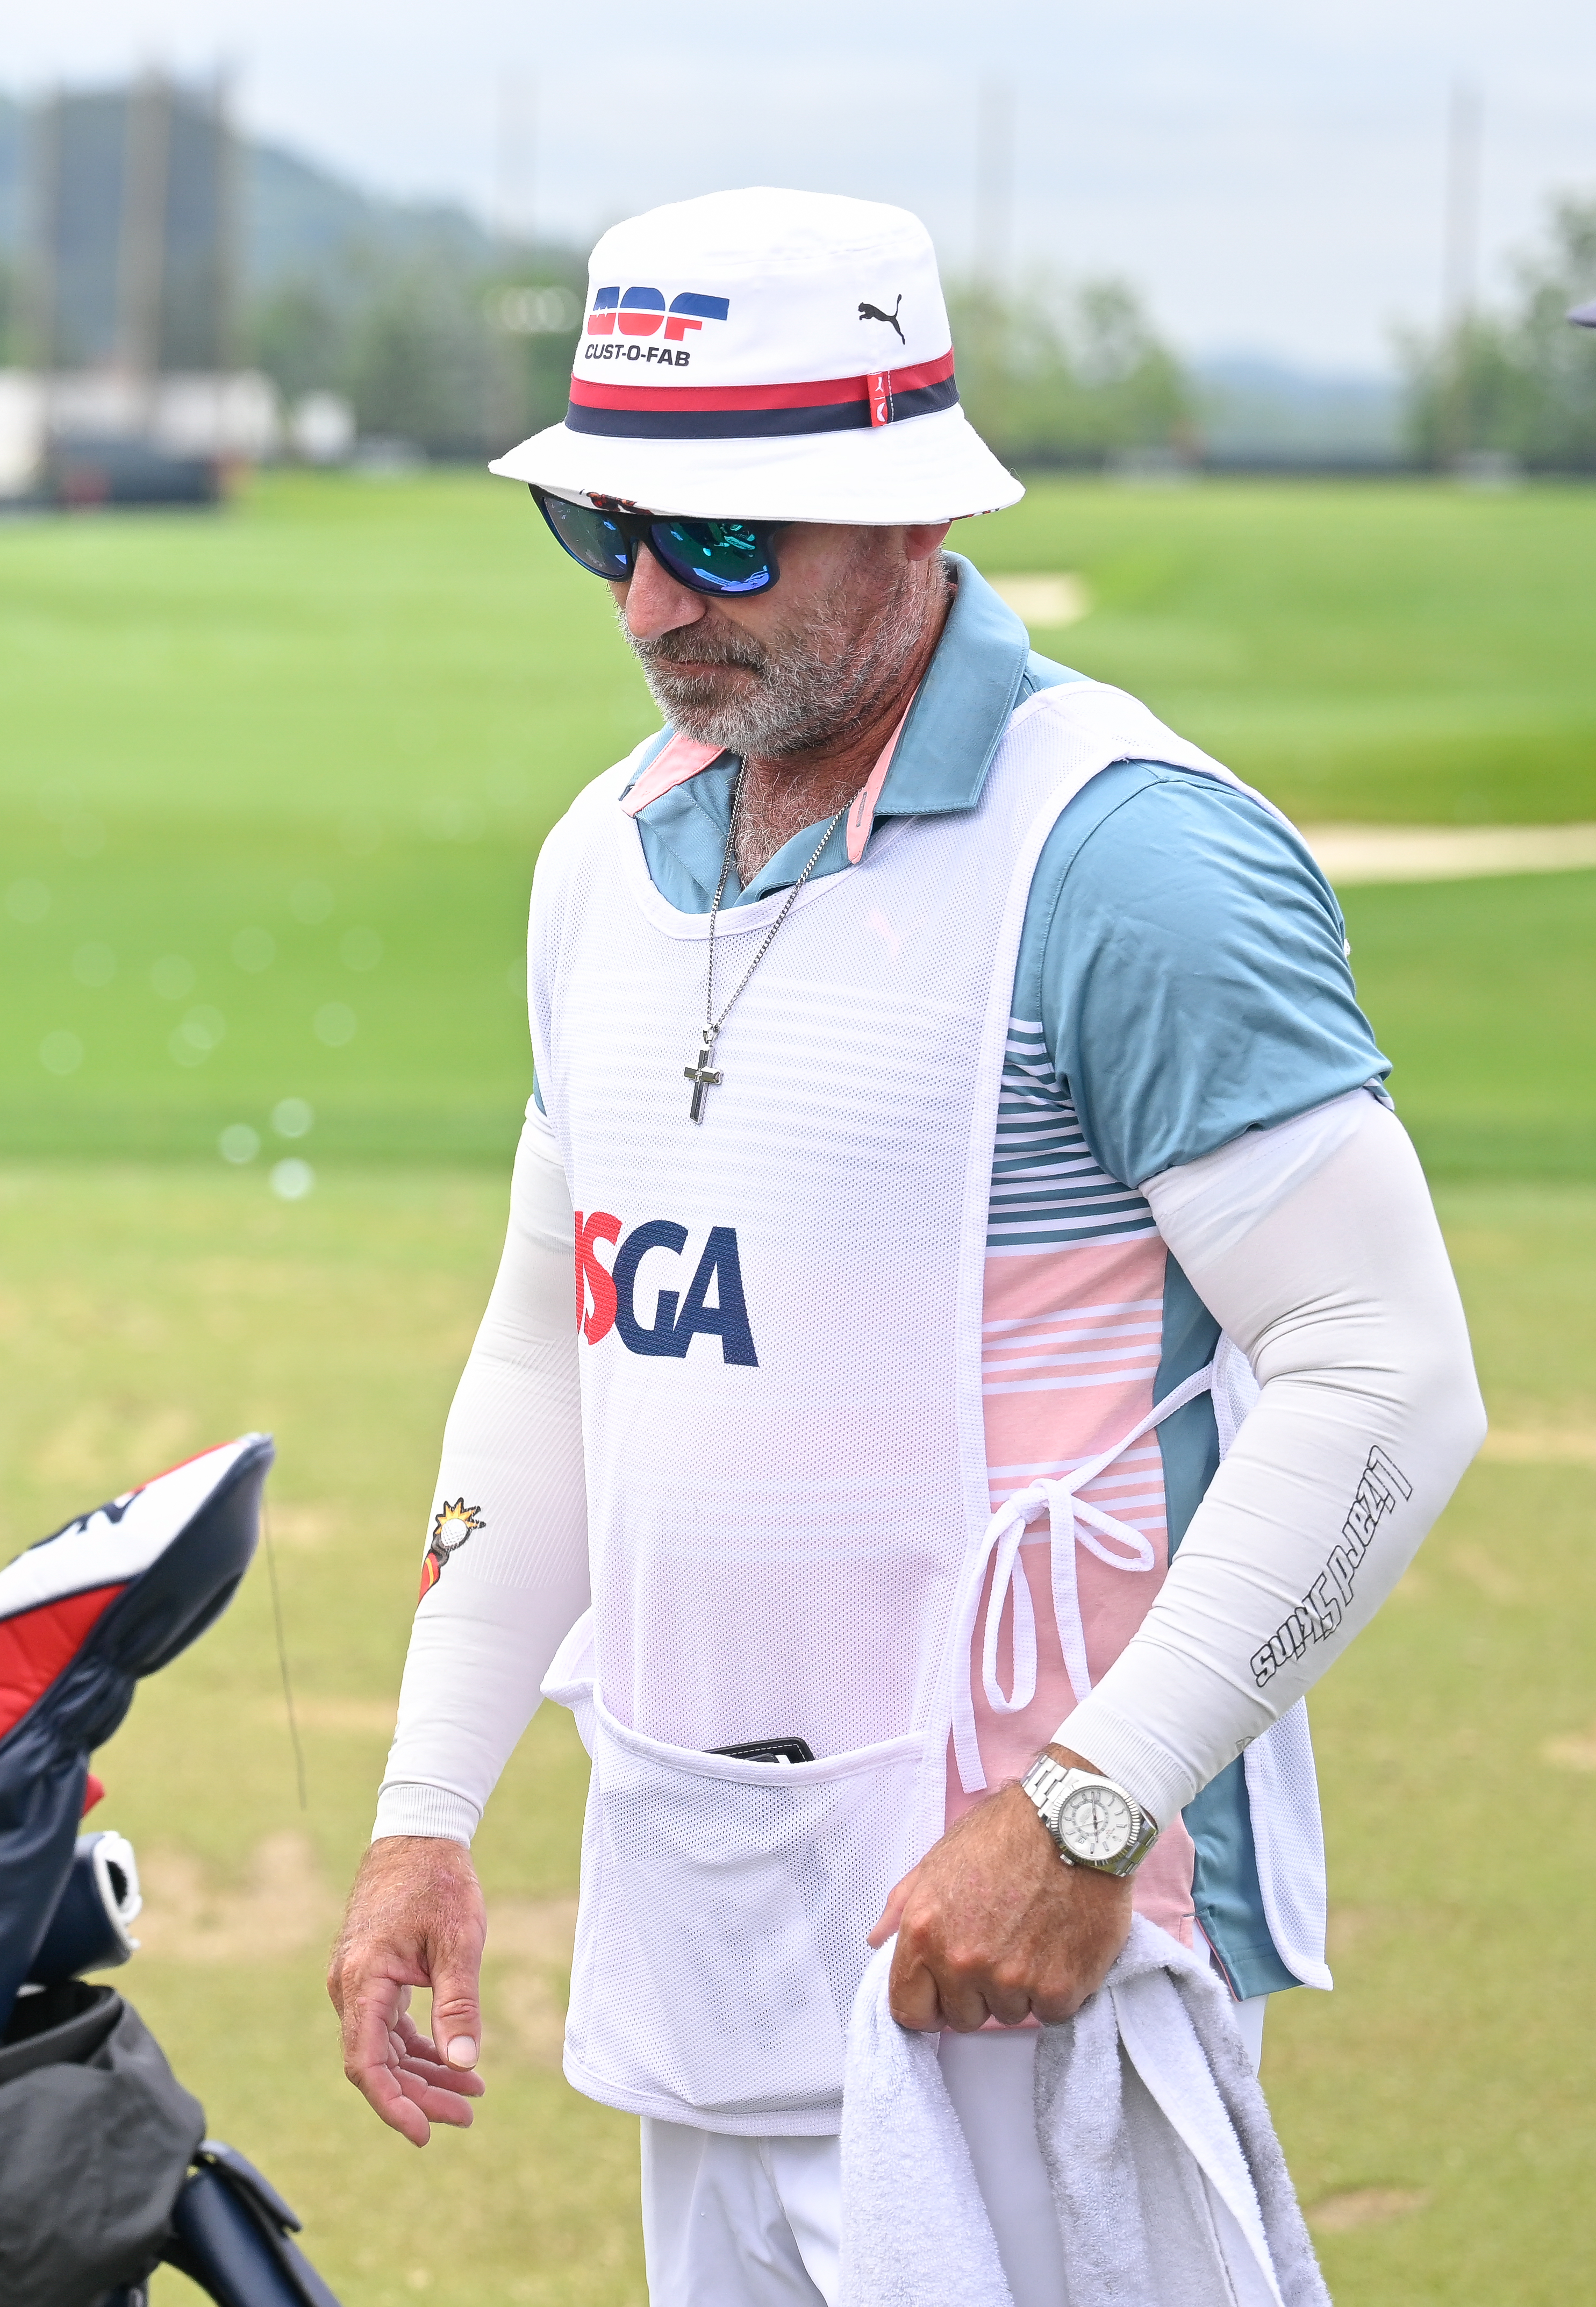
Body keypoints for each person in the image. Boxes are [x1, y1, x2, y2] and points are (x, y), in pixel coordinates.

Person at [324, 188, 1487, 2303]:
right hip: (709, 1941)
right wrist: (426, 1798)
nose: (659, 601)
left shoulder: (1129, 859)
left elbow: (1381, 1373)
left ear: (904, 519)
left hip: (1035, 1967)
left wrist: (1090, 1810)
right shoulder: (602, 856)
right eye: (607, 533)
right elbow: (556, 1342)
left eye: (731, 542)